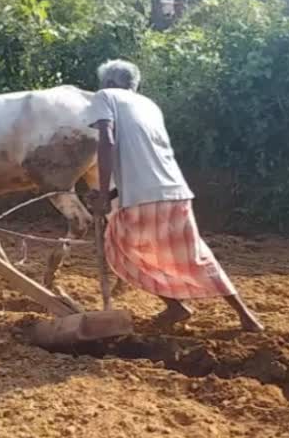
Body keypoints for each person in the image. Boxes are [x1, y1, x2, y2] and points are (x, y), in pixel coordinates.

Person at [85, 59, 264, 332]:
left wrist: (102, 196)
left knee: (121, 247)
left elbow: (106, 141)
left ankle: (175, 305)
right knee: (196, 254)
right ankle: (245, 315)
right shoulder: (149, 106)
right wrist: (110, 193)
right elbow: (145, 161)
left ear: (109, 83)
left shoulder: (104, 96)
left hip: (142, 198)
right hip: (175, 191)